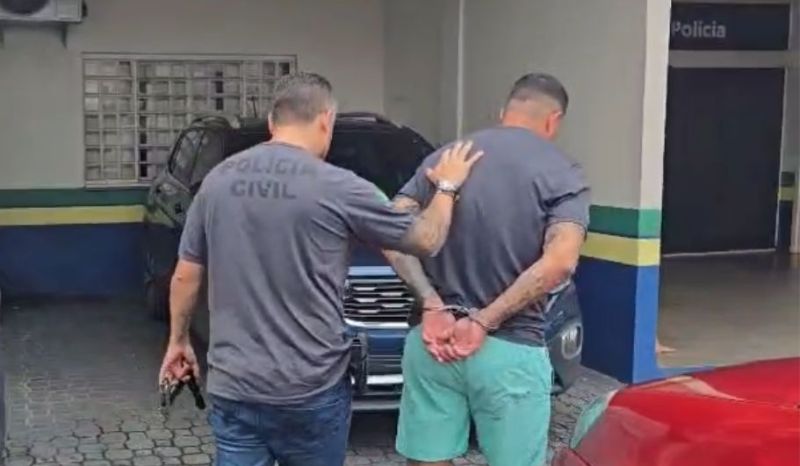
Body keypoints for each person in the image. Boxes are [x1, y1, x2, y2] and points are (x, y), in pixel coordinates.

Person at [157, 72, 482, 466]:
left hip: (235, 386)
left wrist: (178, 341)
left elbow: (186, 274)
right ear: (326, 120)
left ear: (273, 121)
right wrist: (447, 187)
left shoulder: (217, 182)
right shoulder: (339, 186)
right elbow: (426, 239)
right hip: (311, 388)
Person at [384, 73, 589, 466]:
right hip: (511, 349)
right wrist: (483, 320)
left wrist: (431, 302)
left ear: (503, 112)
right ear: (553, 120)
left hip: (434, 341)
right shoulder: (561, 172)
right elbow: (561, 262)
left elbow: (390, 230)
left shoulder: (448, 159)